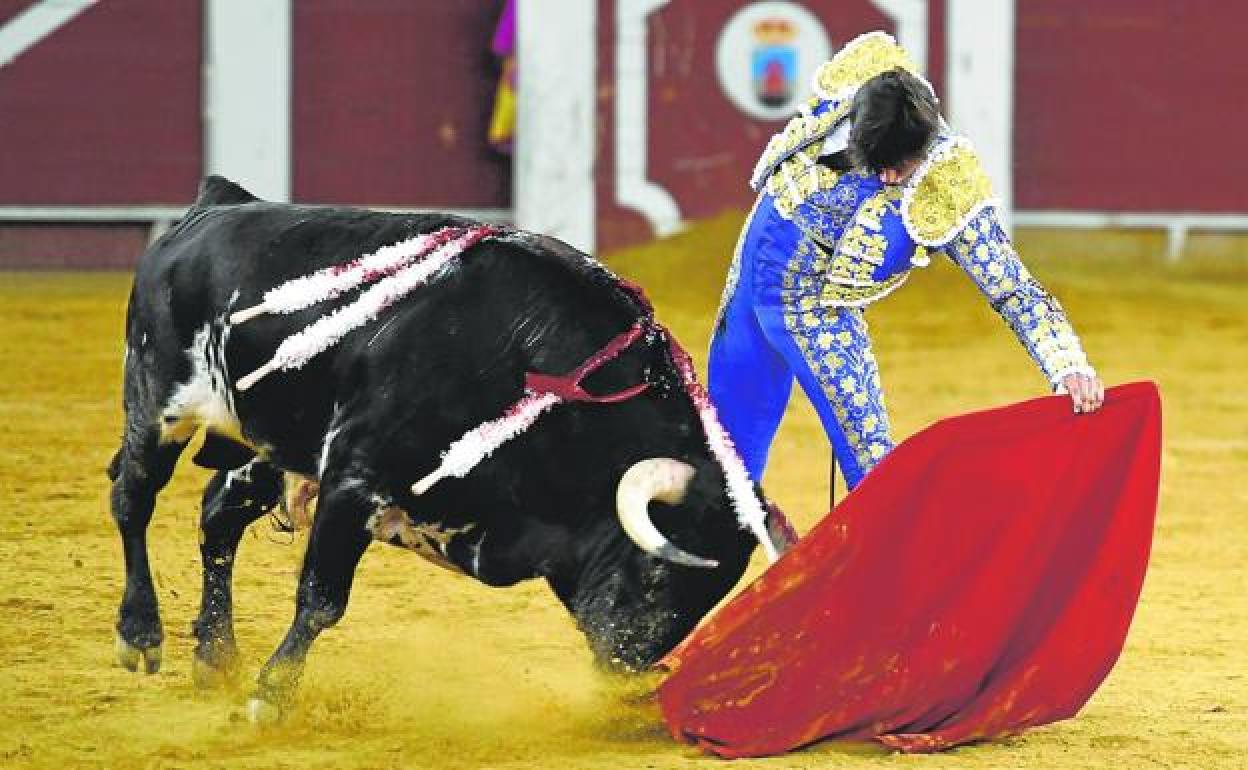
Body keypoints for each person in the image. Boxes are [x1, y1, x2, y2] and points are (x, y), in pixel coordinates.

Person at [709, 30, 1104, 493]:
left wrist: (1066, 363)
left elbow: (1014, 288)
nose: (890, 177)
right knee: (726, 449)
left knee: (871, 465)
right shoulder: (862, 73)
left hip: (814, 304)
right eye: (876, 163)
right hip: (752, 262)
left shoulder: (948, 184)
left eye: (901, 167)